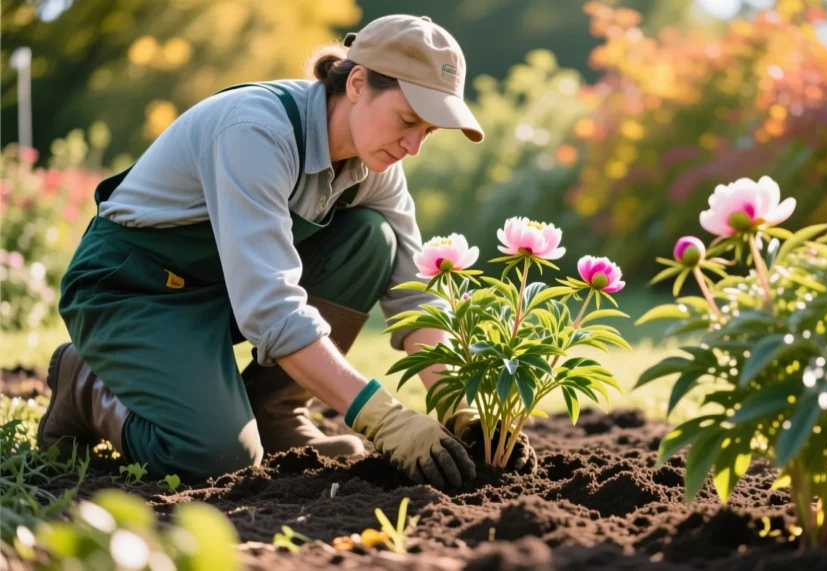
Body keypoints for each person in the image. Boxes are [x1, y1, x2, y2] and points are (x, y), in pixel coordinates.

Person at [36, 14, 535, 489]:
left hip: (223, 290)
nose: (413, 146)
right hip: (132, 290)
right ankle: (86, 388)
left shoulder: (376, 167)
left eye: (428, 131)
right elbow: (271, 307)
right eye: (408, 119)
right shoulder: (256, 133)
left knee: (371, 239)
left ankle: (273, 414)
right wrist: (383, 418)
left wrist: (459, 407)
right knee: (215, 458)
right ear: (358, 83)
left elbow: (414, 296)